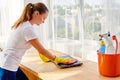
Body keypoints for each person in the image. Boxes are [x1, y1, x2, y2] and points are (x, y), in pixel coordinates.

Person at [0, 2, 77, 80]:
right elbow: (42, 50)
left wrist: (44, 55)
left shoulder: (24, 24)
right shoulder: (27, 28)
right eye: (44, 18)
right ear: (37, 13)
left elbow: (37, 47)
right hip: (8, 67)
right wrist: (58, 60)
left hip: (8, 64)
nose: (43, 21)